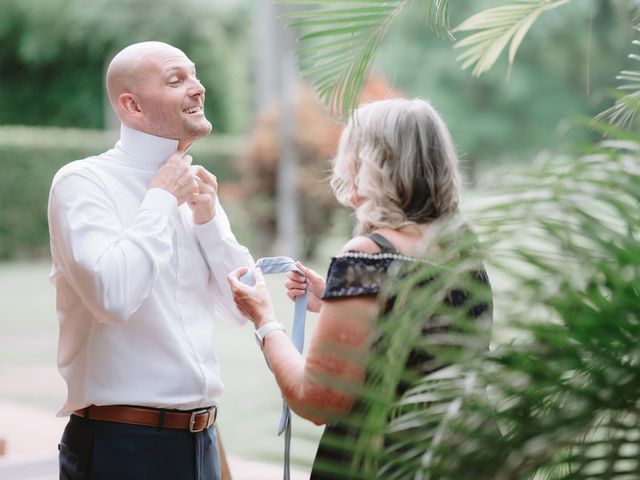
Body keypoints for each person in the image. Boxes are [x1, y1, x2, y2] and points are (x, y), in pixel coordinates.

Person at [227, 98, 493, 478]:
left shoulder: (368, 256)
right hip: (468, 456)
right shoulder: (461, 246)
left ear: (370, 164)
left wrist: (265, 320)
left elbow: (317, 401)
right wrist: (336, 299)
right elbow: (421, 338)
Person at [48, 41, 253, 480]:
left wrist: (209, 221)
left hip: (204, 442)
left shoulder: (192, 187)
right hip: (122, 447)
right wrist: (161, 198)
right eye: (176, 79)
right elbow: (113, 298)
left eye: (195, 75)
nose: (198, 88)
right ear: (132, 106)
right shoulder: (82, 183)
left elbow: (244, 307)